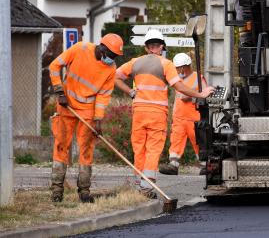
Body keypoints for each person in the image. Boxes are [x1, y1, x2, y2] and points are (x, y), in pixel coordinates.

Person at [114, 30, 215, 198]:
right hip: (157, 114)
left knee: (139, 148)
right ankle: (147, 188)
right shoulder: (166, 64)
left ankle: (139, 185)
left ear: (146, 47)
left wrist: (130, 92)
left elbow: (115, 77)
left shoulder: (135, 62)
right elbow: (180, 87)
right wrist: (201, 94)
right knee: (153, 149)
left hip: (139, 112)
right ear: (161, 46)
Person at [48, 33, 124, 203]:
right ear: (102, 47)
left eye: (115, 56)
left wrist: (98, 120)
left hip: (87, 111)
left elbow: (103, 96)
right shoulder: (80, 48)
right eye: (111, 55)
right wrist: (60, 92)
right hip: (66, 105)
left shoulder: (110, 70)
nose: (112, 59)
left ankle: (84, 191)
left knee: (87, 150)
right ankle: (57, 190)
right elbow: (54, 66)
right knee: (61, 146)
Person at [159, 53, 208, 176]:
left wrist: (191, 97)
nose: (177, 70)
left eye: (178, 68)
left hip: (194, 118)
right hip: (179, 117)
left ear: (185, 66)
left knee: (198, 142)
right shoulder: (176, 79)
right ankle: (173, 165)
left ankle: (205, 166)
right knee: (176, 141)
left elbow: (206, 97)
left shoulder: (198, 78)